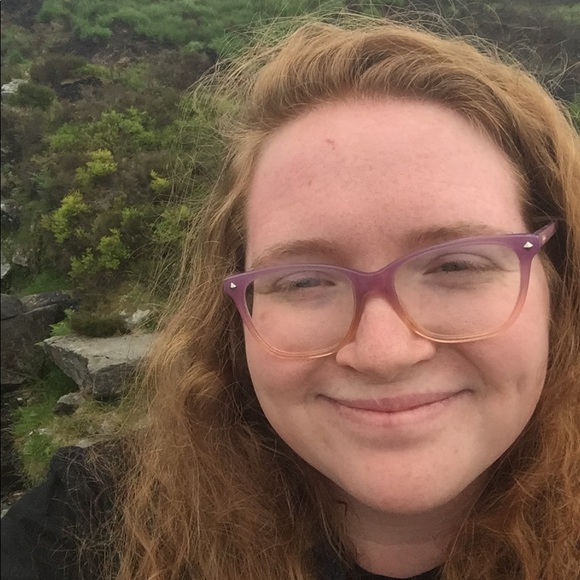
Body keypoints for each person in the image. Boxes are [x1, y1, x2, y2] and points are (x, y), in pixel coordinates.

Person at [2, 13, 579, 580]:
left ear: (560, 285)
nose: (383, 354)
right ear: (234, 315)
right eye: (304, 280)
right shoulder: (86, 525)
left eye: (455, 265)